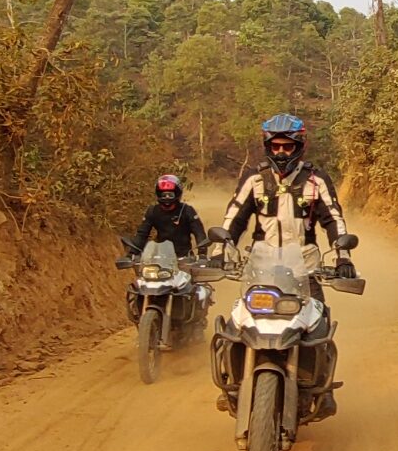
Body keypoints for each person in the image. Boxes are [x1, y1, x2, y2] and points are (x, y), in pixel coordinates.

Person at [219, 114, 355, 417]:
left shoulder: (316, 180)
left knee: (319, 327)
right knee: (237, 324)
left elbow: (333, 219)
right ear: (267, 146)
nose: (281, 153)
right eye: (276, 146)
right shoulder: (254, 179)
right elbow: (235, 217)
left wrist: (343, 256)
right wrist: (220, 248)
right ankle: (232, 382)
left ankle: (321, 388)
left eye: (288, 146)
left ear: (299, 146)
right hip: (260, 269)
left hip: (304, 268)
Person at [124, 174, 206, 322]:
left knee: (192, 290)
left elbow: (199, 232)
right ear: (158, 194)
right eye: (163, 194)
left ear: (177, 193)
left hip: (183, 258)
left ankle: (192, 321)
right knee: (138, 287)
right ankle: (142, 321)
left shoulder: (187, 211)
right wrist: (132, 253)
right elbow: (142, 233)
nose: (167, 197)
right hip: (160, 259)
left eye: (170, 193)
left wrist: (203, 253)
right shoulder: (153, 211)